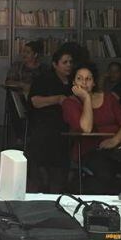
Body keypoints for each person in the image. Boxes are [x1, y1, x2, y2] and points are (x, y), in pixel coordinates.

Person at [62, 64, 121, 194]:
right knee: (106, 173)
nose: (84, 82)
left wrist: (115, 140)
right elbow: (86, 128)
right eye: (79, 78)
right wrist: (87, 98)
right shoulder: (70, 103)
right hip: (89, 151)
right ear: (73, 83)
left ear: (94, 82)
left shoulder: (109, 98)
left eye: (88, 79)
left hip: (117, 147)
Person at [26, 46, 74, 193]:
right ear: (55, 64)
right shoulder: (44, 79)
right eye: (64, 62)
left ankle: (62, 180)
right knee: (46, 134)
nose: (68, 65)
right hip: (46, 121)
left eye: (70, 62)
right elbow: (35, 101)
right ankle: (43, 178)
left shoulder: (75, 81)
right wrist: (58, 99)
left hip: (69, 123)